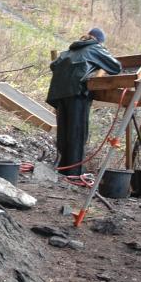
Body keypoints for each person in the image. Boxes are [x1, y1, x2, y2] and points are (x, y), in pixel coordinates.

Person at [46, 28, 122, 176]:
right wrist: (100, 65)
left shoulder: (71, 49)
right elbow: (116, 67)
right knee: (77, 133)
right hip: (77, 93)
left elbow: (53, 65)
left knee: (64, 132)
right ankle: (75, 172)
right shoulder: (96, 48)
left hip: (60, 94)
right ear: (99, 40)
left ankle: (63, 168)